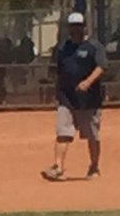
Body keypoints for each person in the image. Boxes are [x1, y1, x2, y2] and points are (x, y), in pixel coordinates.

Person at [42, 11, 105, 182]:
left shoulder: (94, 46)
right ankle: (58, 167)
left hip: (89, 100)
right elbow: (57, 70)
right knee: (63, 132)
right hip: (67, 98)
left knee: (92, 135)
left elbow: (101, 67)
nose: (76, 29)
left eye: (79, 26)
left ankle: (94, 167)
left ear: (84, 27)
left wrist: (88, 82)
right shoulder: (63, 48)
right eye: (73, 26)